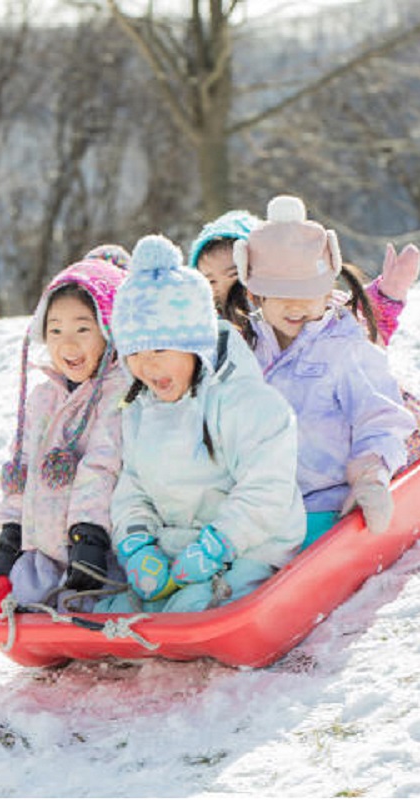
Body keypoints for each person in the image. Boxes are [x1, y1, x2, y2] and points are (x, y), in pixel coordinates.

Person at [95, 234, 305, 613]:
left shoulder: (246, 403)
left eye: (160, 349)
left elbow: (266, 488)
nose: (148, 365)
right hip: (178, 546)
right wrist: (137, 542)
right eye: (135, 353)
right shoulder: (141, 405)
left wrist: (218, 543)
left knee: (189, 610)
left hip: (252, 543)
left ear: (195, 345)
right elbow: (133, 484)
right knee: (119, 611)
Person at [227, 195, 420, 548]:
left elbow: (378, 414)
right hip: (255, 505)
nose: (297, 305)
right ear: (254, 294)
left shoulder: (344, 349)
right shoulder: (242, 350)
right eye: (281, 294)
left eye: (309, 292)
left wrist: (371, 476)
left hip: (327, 503)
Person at [0, 258, 129, 611]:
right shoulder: (43, 398)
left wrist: (88, 537)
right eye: (55, 330)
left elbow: (103, 463)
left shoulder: (119, 391)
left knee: (99, 606)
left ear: (109, 329)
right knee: (22, 609)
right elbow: (23, 468)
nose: (68, 344)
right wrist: (10, 538)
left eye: (82, 329)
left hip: (99, 556)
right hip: (43, 557)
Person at [188, 208, 420, 346]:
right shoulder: (210, 329)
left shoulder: (308, 303)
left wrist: (387, 294)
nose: (224, 288)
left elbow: (358, 322)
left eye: (234, 275)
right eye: (210, 281)